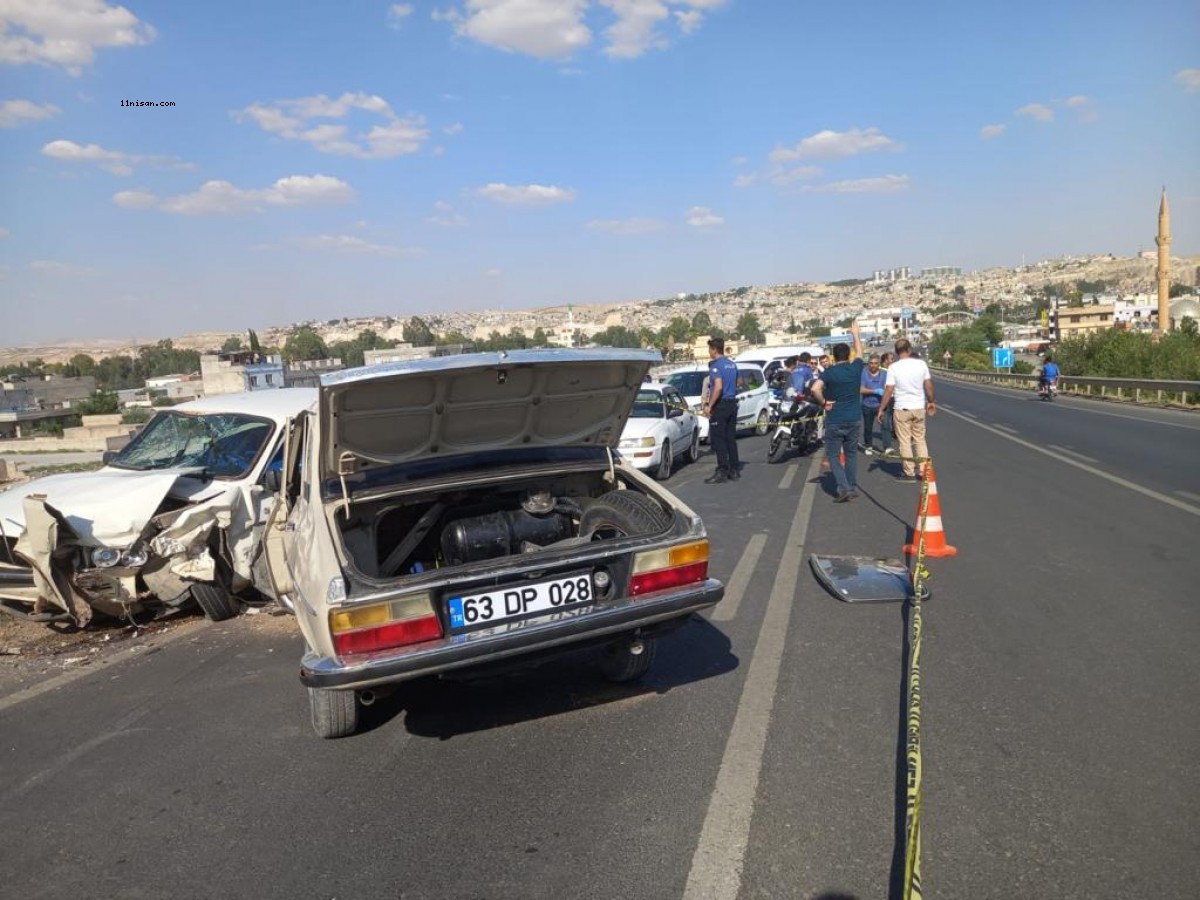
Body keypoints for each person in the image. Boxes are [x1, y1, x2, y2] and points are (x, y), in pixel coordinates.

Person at [811, 321, 865, 502]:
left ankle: (843, 487)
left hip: (835, 419)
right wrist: (855, 334)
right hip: (854, 418)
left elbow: (815, 389)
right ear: (848, 355)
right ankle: (852, 486)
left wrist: (825, 402)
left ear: (833, 357)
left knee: (833, 455)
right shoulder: (855, 368)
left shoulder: (829, 373)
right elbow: (860, 352)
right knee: (851, 455)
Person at [877, 338, 935, 481]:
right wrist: (931, 401)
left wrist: (881, 409)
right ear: (909, 350)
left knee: (905, 441)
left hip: (902, 408)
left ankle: (909, 472)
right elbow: (928, 385)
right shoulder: (921, 364)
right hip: (918, 407)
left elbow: (889, 390)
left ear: (896, 353)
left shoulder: (893, 368)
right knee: (920, 440)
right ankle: (923, 471)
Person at [704, 337, 740, 484]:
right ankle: (734, 469)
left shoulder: (715, 367)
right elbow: (739, 382)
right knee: (731, 438)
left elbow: (718, 387)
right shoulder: (732, 364)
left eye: (709, 349)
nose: (709, 352)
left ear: (714, 350)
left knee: (719, 439)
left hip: (721, 405)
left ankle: (722, 470)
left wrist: (710, 406)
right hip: (732, 403)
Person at [859, 354, 886, 455]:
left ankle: (886, 447)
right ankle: (868, 446)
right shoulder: (863, 373)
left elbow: (887, 388)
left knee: (885, 426)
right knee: (868, 427)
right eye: (871, 363)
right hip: (867, 405)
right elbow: (861, 389)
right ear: (868, 363)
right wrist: (875, 391)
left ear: (879, 364)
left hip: (881, 404)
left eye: (875, 363)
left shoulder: (884, 374)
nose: (873, 365)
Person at [878, 351, 898, 456]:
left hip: (894, 398)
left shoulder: (893, 370)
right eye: (891, 359)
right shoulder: (880, 372)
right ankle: (887, 446)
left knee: (895, 419)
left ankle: (895, 434)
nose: (893, 361)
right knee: (885, 421)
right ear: (886, 360)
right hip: (884, 399)